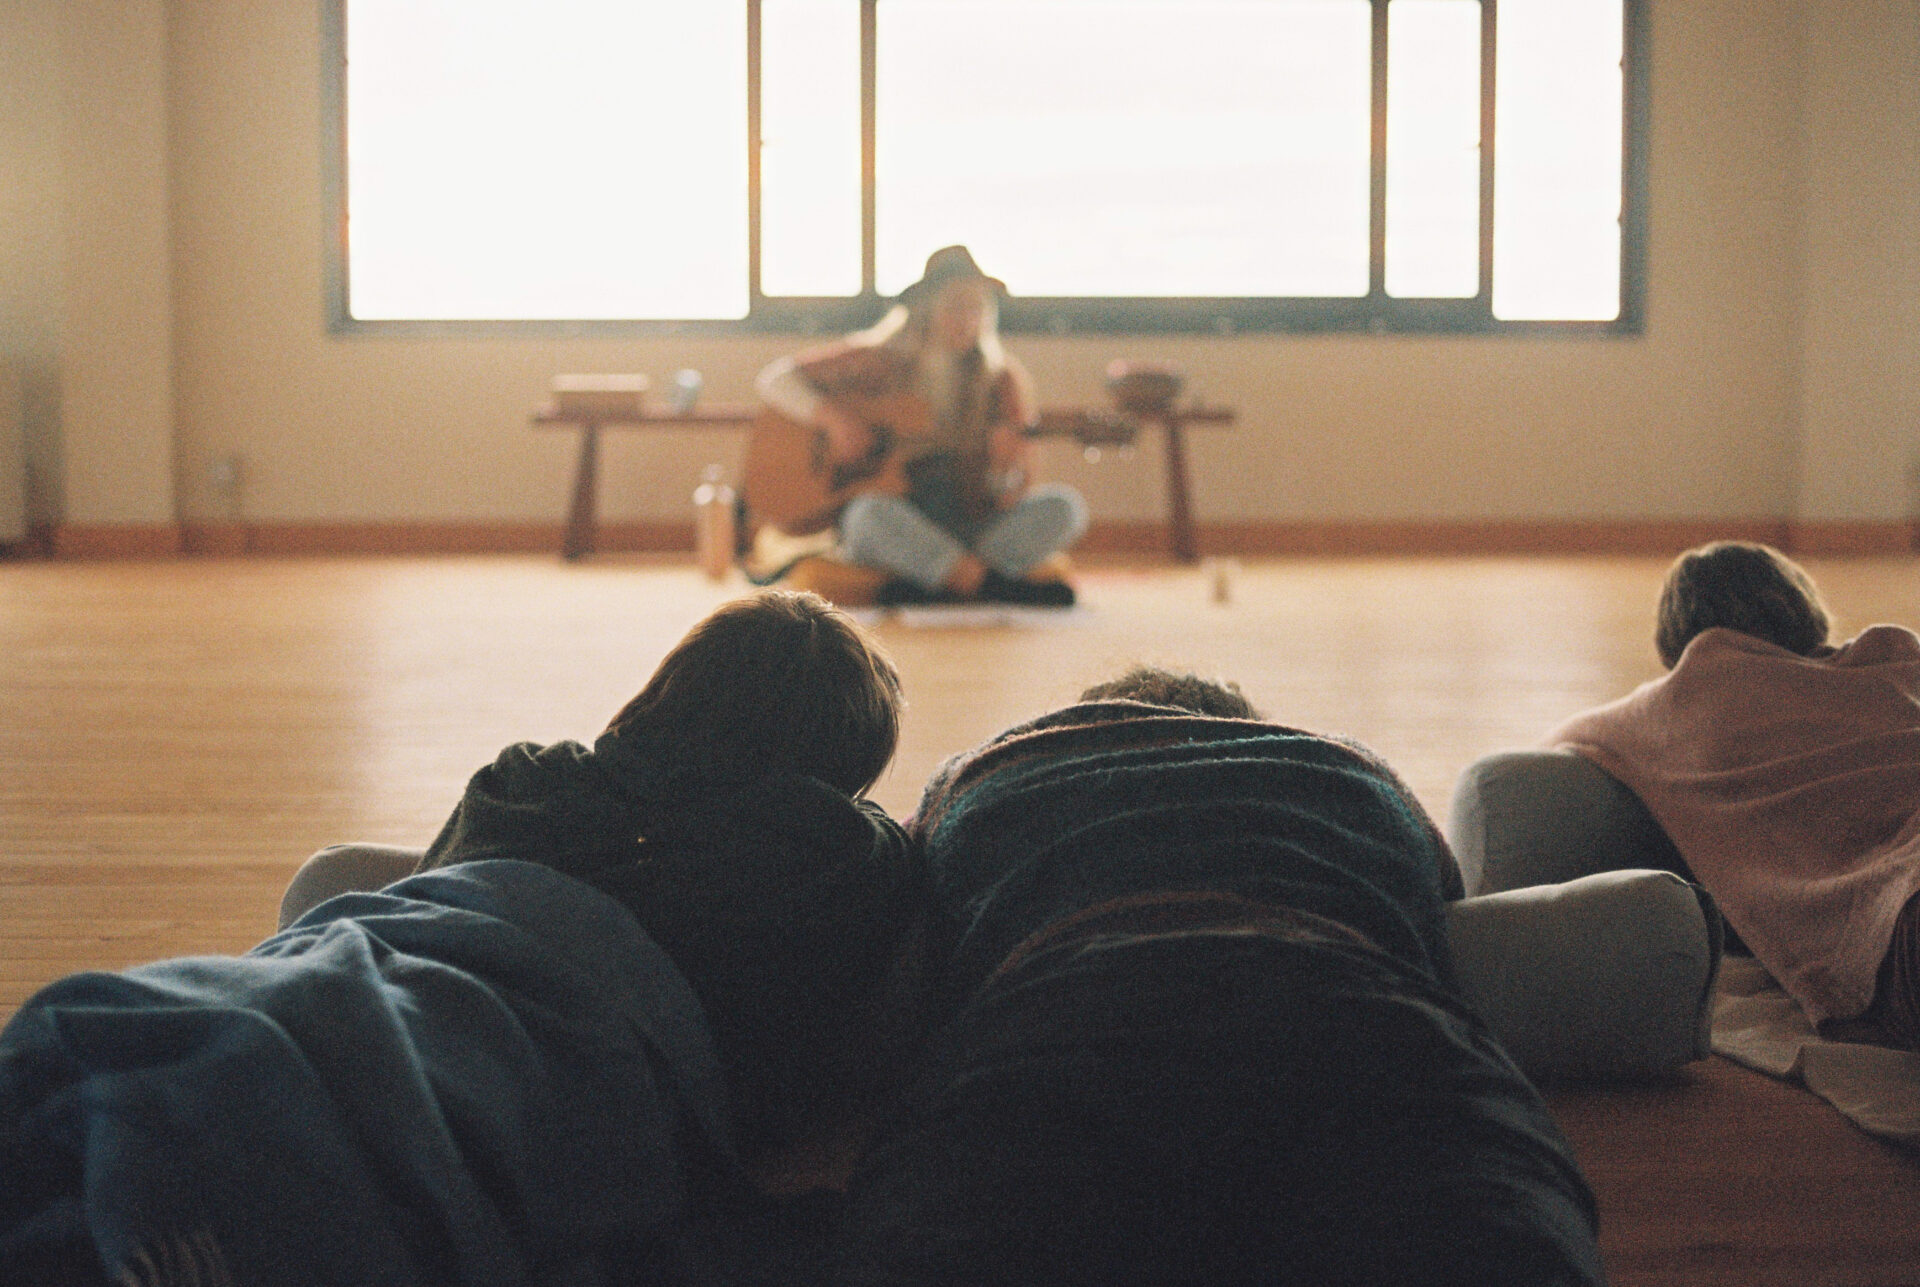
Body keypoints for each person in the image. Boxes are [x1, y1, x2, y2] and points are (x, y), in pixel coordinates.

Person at [2, 590, 924, 1285]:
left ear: (667, 691)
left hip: (400, 941)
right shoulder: (830, 850)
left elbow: (417, 884)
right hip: (540, 1012)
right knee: (327, 1099)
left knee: (247, 1028)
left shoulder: (536, 774)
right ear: (837, 769)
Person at [829, 667, 1605, 1287]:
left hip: (1051, 1034)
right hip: (1366, 1029)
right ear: (1248, 724)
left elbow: (897, 959)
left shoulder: (981, 775)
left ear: (1081, 724)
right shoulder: (1356, 771)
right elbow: (1444, 914)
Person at [1549, 540, 1920, 1048]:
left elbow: (1549, 753)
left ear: (1676, 639)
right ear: (1803, 608)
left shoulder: (1679, 700)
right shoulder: (1894, 657)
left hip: (1896, 907)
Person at [755, 245, 1088, 607]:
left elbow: (1012, 495)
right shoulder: (878, 359)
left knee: (1064, 508)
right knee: (865, 517)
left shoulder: (1002, 380)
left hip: (969, 524)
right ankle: (990, 586)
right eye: (956, 307)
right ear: (926, 310)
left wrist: (1005, 469)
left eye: (977, 308)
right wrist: (834, 420)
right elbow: (775, 379)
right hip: (898, 519)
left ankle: (935, 582)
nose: (967, 319)